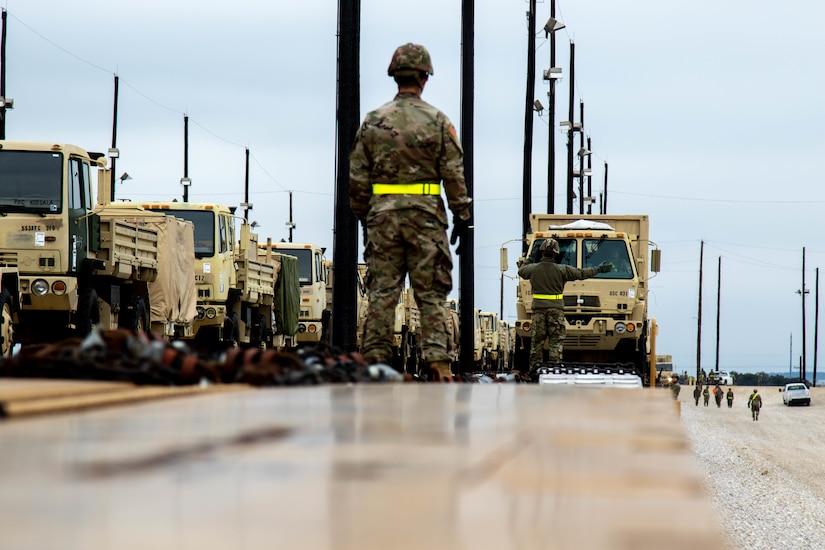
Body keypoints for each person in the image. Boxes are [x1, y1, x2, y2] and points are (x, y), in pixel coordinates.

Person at [350, 43, 472, 383]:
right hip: (426, 220)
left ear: (395, 76)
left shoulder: (373, 122)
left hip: (382, 219)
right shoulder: (437, 122)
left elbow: (357, 177)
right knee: (431, 293)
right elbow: (453, 174)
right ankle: (438, 362)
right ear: (424, 77)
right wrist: (462, 214)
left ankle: (375, 360)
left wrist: (365, 215)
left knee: (382, 292)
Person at [517, 238, 611, 371]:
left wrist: (530, 258)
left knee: (536, 344)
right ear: (556, 254)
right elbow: (582, 273)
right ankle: (554, 370)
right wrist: (598, 269)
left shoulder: (533, 269)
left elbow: (521, 271)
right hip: (556, 311)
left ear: (542, 252)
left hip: (538, 312)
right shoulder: (562, 270)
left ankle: (535, 370)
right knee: (556, 343)